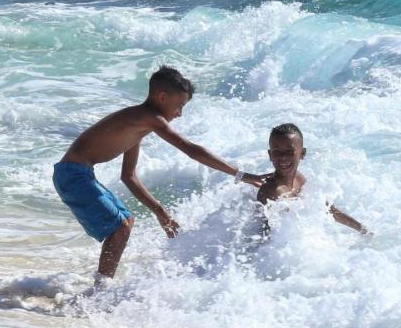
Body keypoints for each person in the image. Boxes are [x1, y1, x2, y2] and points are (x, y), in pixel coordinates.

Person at [54, 65, 264, 281]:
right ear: (163, 97)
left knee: (126, 221)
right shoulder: (148, 118)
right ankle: (100, 288)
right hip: (73, 175)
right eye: (179, 106)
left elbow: (129, 177)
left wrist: (160, 211)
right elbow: (191, 150)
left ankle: (101, 285)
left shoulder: (138, 126)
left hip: (76, 174)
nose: (180, 114)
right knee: (120, 227)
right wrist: (240, 175)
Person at [257, 123, 370, 235]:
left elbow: (325, 207)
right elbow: (267, 236)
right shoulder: (271, 190)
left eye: (289, 151)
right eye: (277, 151)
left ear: (302, 153)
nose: (283, 156)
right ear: (270, 155)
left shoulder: (299, 178)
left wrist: (361, 228)